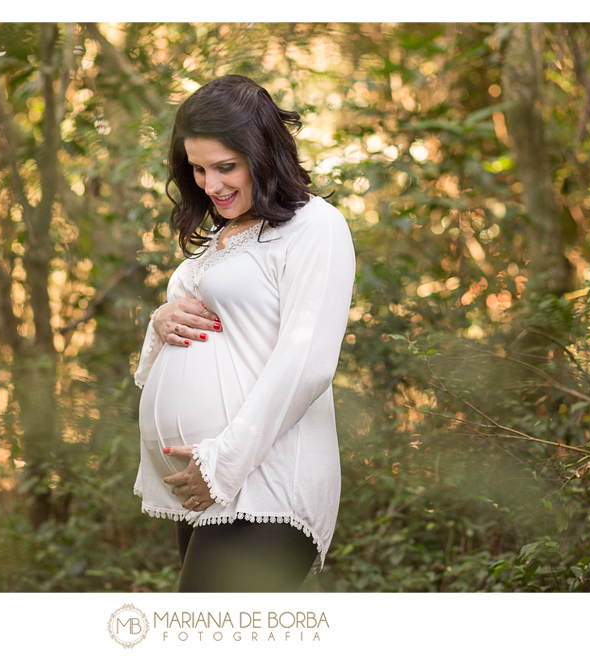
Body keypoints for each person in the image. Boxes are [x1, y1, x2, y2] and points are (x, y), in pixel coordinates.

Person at [133, 74, 355, 592]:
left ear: (264, 153)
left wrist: (221, 466)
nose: (211, 185)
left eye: (226, 167)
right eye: (198, 169)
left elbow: (307, 363)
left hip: (264, 482)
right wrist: (159, 322)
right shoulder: (223, 238)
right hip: (208, 484)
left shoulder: (314, 226)